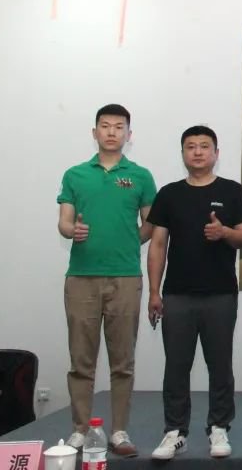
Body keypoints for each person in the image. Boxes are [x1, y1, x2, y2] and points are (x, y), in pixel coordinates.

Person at [146, 126, 242, 460]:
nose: (197, 152)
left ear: (216, 153)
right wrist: (153, 292)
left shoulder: (232, 191)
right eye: (190, 146)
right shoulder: (169, 194)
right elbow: (158, 245)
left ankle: (219, 427)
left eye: (204, 146)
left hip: (221, 293)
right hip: (176, 294)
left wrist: (224, 233)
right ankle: (174, 431)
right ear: (183, 154)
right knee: (176, 366)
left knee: (220, 364)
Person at [56, 104, 156, 456]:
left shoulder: (140, 176)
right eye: (105, 126)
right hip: (81, 278)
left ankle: (119, 432)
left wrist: (129, 242)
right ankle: (80, 429)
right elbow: (64, 222)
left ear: (129, 134)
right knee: (81, 360)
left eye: (119, 127)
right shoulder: (75, 174)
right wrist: (72, 230)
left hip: (125, 277)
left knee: (122, 362)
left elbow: (150, 223)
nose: (112, 132)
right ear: (94, 132)